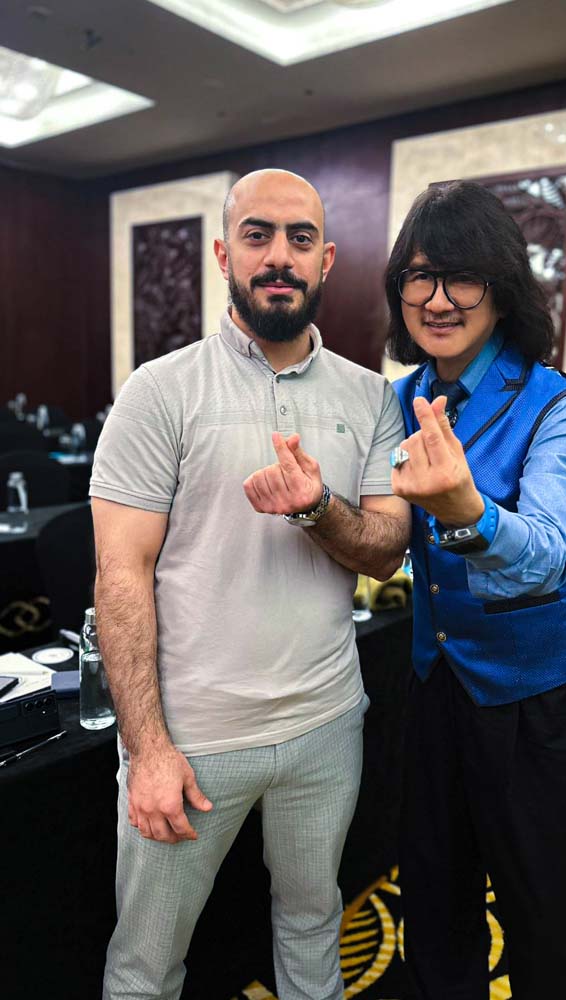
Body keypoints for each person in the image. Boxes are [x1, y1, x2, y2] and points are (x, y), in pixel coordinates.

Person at [90, 168, 411, 1000]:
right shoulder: (159, 391)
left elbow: (385, 552)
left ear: (326, 260)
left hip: (326, 724)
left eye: (300, 239)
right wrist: (147, 750)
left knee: (313, 923)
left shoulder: (372, 397)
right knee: (146, 963)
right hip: (193, 739)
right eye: (258, 236)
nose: (279, 257)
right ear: (224, 254)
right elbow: (120, 576)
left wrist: (318, 508)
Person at [386, 180, 566, 1000]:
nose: (438, 299)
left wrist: (467, 512)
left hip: (538, 695)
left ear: (503, 287)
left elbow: (548, 555)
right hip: (436, 682)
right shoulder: (399, 399)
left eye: (463, 277)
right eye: (420, 275)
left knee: (544, 912)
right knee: (435, 902)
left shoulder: (558, 402)